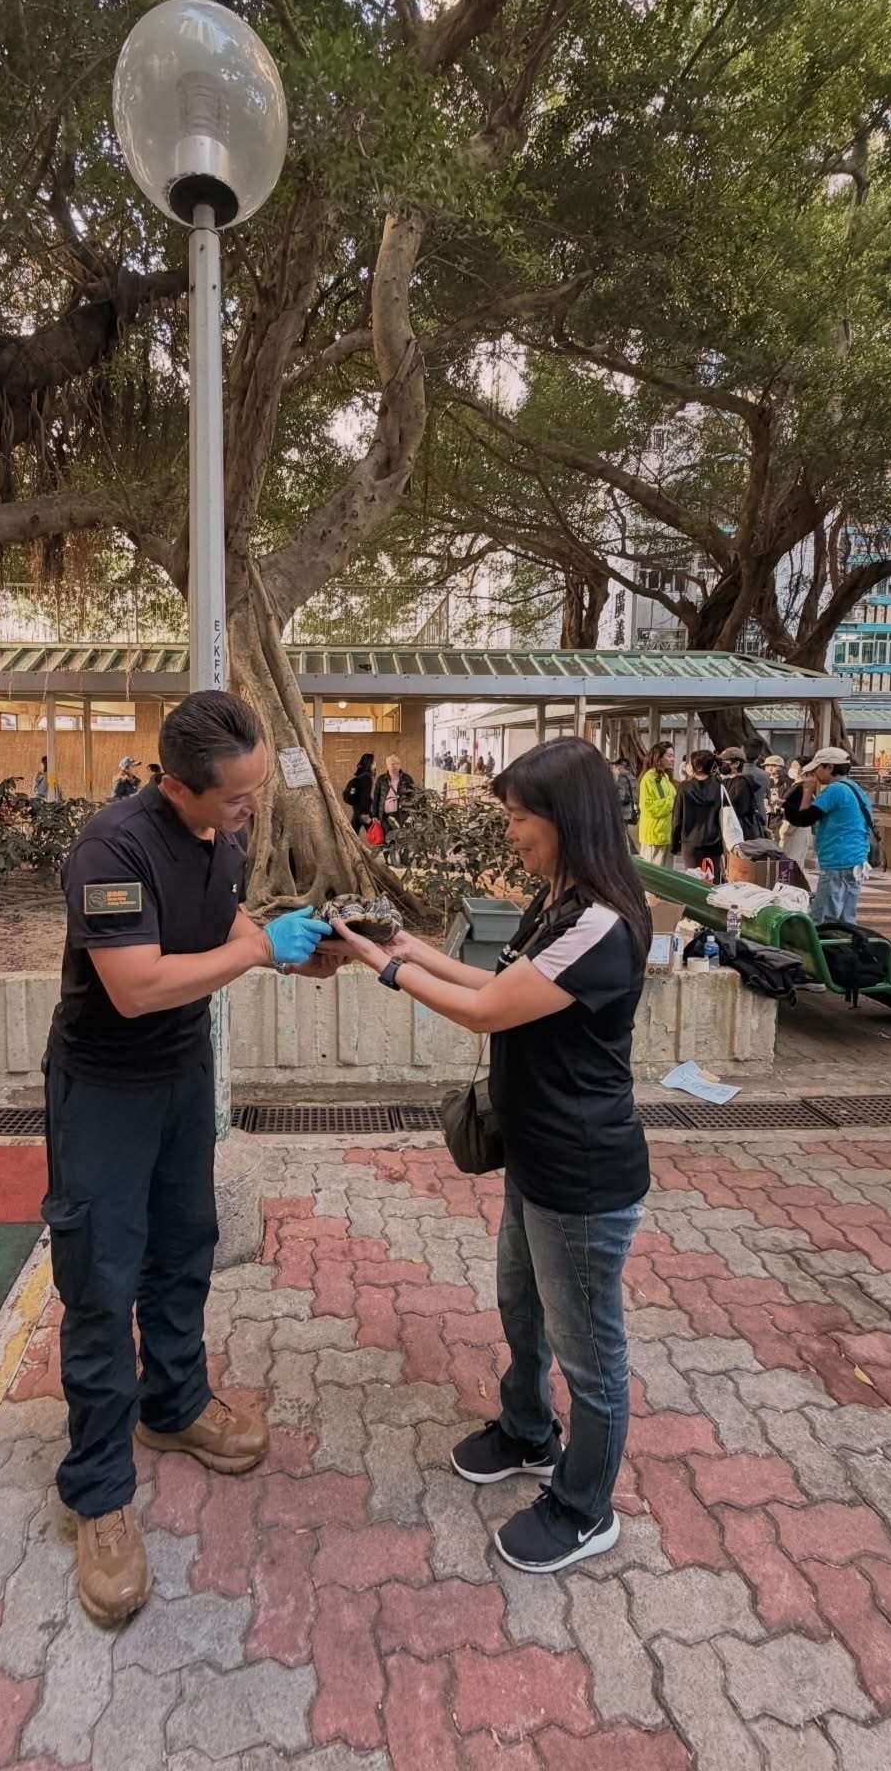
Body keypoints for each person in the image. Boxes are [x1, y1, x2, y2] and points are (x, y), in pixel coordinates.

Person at [44, 692, 336, 1626]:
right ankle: (96, 1491)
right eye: (238, 796)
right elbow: (134, 987)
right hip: (104, 1089)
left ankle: (172, 1405)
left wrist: (291, 950)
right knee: (101, 1277)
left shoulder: (223, 835)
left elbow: (221, 927)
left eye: (257, 790)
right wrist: (254, 953)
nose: (253, 808)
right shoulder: (111, 850)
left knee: (183, 1250)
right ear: (178, 784)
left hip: (180, 1080)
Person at [325, 738, 651, 1573]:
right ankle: (528, 1430)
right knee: (521, 1307)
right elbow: (484, 983)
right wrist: (396, 940)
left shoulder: (600, 924)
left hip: (583, 1176)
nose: (511, 833)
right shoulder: (558, 904)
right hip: (537, 1161)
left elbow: (486, 1014)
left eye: (518, 819)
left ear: (564, 819)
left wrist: (377, 967)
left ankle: (585, 1507)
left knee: (591, 1354)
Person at [785, 747, 873, 924]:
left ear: (829, 768)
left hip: (837, 861)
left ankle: (826, 950)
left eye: (818, 768)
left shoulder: (834, 790)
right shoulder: (854, 789)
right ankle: (845, 948)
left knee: (824, 918)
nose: (815, 773)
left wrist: (808, 790)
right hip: (856, 859)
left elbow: (803, 819)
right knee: (846, 919)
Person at [670, 750, 725, 880]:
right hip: (715, 841)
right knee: (713, 880)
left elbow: (677, 818)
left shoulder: (684, 787)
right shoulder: (719, 786)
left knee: (693, 880)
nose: (687, 765)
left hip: (691, 842)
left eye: (689, 762)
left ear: (698, 767)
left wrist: (674, 845)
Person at [637, 744, 676, 864]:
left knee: (666, 875)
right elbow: (648, 807)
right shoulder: (649, 778)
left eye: (673, 756)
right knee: (653, 876)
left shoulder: (664, 776)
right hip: (654, 835)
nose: (672, 759)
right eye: (669, 756)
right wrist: (673, 801)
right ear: (658, 757)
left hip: (666, 833)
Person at [373, 753, 415, 839]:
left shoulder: (407, 779)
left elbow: (412, 797)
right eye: (392, 764)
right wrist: (375, 815)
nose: (395, 766)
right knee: (388, 840)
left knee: (401, 840)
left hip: (401, 815)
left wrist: (412, 815)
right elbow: (376, 797)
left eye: (398, 763)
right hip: (385, 816)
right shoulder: (381, 779)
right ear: (387, 765)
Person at [342, 752, 376, 833]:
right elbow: (365, 796)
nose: (375, 763)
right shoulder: (367, 777)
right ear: (370, 763)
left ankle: (349, 845)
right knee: (375, 834)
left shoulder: (360, 776)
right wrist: (365, 812)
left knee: (353, 834)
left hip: (357, 810)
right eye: (373, 762)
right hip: (363, 812)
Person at [611, 756, 639, 849]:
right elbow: (635, 796)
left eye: (617, 766)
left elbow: (621, 797)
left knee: (622, 836)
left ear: (622, 766)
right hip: (631, 810)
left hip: (622, 812)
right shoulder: (633, 777)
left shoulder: (621, 779)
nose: (615, 769)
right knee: (628, 835)